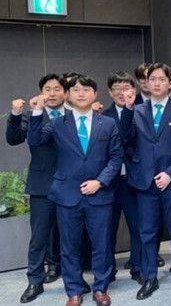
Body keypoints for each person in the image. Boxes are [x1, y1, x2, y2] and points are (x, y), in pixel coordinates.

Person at [27, 74, 123, 306]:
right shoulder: (57, 124)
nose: (81, 94)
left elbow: (116, 157)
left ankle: (100, 288)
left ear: (95, 94)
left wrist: (99, 182)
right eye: (76, 90)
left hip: (99, 194)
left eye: (86, 89)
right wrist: (37, 112)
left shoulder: (107, 123)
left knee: (101, 245)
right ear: (68, 95)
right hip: (67, 194)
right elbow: (35, 140)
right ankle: (74, 290)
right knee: (69, 246)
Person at [120, 63, 171, 300]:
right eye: (152, 79)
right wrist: (127, 110)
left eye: (162, 79)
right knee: (147, 232)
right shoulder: (136, 110)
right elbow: (124, 140)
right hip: (145, 182)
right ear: (146, 83)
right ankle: (149, 276)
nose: (157, 83)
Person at [7, 74, 67, 303]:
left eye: (57, 89)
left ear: (65, 92)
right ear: (41, 93)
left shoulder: (74, 115)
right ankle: (35, 281)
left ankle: (73, 277)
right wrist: (15, 113)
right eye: (47, 89)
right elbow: (13, 139)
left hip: (70, 183)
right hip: (42, 184)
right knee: (39, 236)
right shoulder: (33, 115)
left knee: (71, 235)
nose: (52, 93)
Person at [102, 72, 145, 285]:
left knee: (137, 226)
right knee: (107, 229)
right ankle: (107, 270)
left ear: (133, 91)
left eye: (126, 87)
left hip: (132, 178)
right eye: (116, 88)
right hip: (109, 182)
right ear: (110, 92)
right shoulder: (102, 116)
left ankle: (138, 267)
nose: (121, 92)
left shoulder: (142, 112)